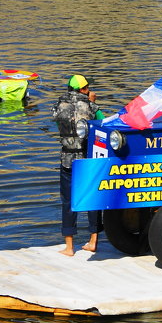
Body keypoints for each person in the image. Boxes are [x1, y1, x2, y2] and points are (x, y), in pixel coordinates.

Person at [52, 74, 102, 256]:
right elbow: (101, 122)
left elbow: (55, 118)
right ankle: (93, 241)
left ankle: (69, 247)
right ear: (83, 89)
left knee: (67, 200)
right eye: (87, 87)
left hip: (67, 158)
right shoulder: (89, 105)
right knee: (92, 198)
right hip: (87, 158)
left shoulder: (60, 104)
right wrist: (93, 102)